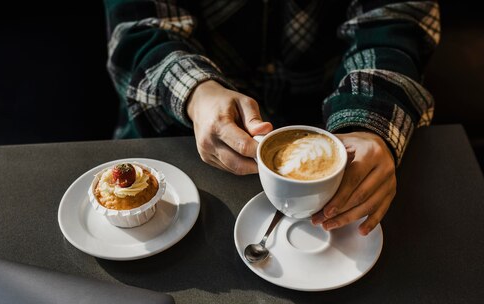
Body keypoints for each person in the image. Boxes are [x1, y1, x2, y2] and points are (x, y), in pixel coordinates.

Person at [104, 0, 440, 234]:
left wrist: (370, 125)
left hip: (336, 125)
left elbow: (394, 20)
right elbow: (137, 27)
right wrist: (195, 92)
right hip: (173, 130)